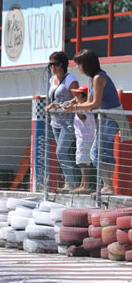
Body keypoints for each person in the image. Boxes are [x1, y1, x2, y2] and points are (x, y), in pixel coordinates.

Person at [64, 49, 122, 194]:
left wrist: (75, 107)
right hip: (105, 118)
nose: (77, 67)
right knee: (105, 152)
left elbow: (94, 104)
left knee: (96, 152)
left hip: (111, 118)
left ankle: (107, 186)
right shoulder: (92, 78)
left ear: (86, 64)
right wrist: (74, 106)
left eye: (79, 64)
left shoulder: (98, 78)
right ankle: (107, 186)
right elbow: (89, 102)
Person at [42, 51, 79, 192]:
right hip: (55, 122)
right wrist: (49, 105)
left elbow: (79, 96)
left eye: (55, 64)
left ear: (62, 65)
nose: (52, 67)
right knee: (66, 153)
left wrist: (64, 104)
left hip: (68, 122)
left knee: (60, 152)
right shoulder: (52, 80)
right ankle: (74, 183)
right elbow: (52, 99)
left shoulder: (70, 79)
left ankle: (71, 183)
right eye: (50, 64)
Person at [70, 86, 96, 193]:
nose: (75, 96)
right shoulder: (84, 107)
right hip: (86, 138)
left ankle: (86, 186)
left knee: (82, 163)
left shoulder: (83, 109)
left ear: (84, 96)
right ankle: (83, 184)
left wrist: (74, 108)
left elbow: (82, 116)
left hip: (84, 139)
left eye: (78, 94)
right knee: (84, 162)